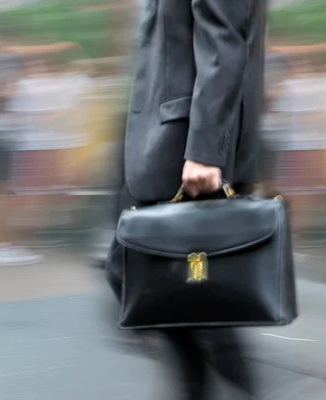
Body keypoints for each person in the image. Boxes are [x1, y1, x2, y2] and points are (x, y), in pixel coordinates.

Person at [106, 1, 266, 399]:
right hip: (168, 144)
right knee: (185, 292)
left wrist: (206, 151)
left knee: (164, 281)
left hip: (185, 150)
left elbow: (222, 40)